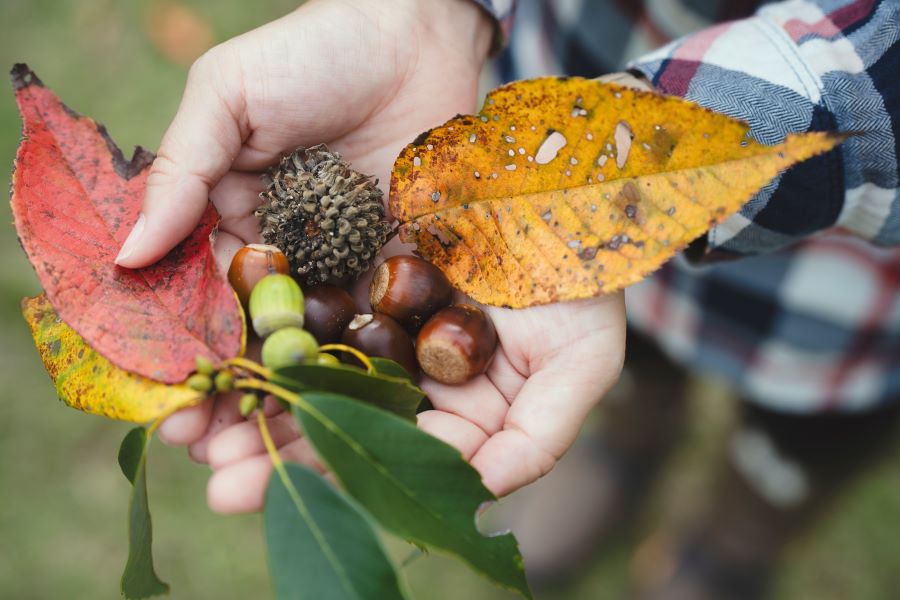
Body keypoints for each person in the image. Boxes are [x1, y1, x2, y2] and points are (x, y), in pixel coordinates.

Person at [116, 0, 899, 597]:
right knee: (636, 370)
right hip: (574, 97)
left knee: (806, 431)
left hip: (839, 289)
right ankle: (625, 444)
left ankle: (737, 541)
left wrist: (732, 129)